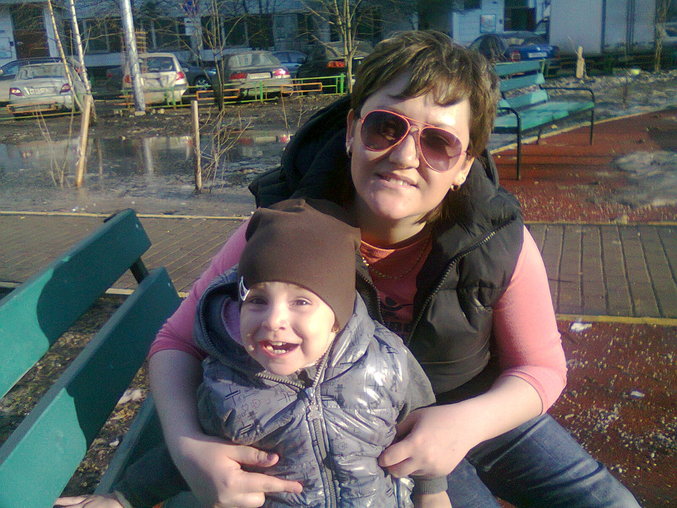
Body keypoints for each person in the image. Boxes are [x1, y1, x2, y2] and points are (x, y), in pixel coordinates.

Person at [113, 30, 640, 507]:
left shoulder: (495, 238)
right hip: (365, 436)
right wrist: (188, 448)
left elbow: (541, 368)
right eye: (386, 127)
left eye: (438, 142)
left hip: (476, 407)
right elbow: (176, 341)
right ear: (352, 131)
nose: (405, 156)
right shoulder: (289, 229)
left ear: (464, 165)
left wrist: (466, 423)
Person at [55, 199, 451, 508]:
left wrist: (432, 493)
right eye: (258, 300)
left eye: (301, 302)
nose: (274, 320)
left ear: (337, 317)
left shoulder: (385, 361)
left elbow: (417, 428)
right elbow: (179, 461)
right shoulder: (227, 388)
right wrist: (123, 497)